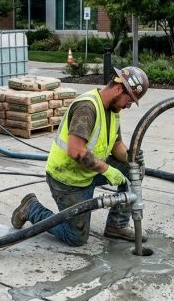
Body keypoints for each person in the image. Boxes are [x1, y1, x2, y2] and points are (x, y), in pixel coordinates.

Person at [11, 67, 150, 246]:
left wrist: (130, 157)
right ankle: (30, 208)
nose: (128, 105)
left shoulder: (113, 111)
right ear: (118, 89)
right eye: (129, 100)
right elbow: (75, 151)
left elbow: (116, 146)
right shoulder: (88, 107)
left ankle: (116, 225)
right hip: (68, 179)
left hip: (89, 171)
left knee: (134, 170)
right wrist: (107, 169)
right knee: (76, 238)